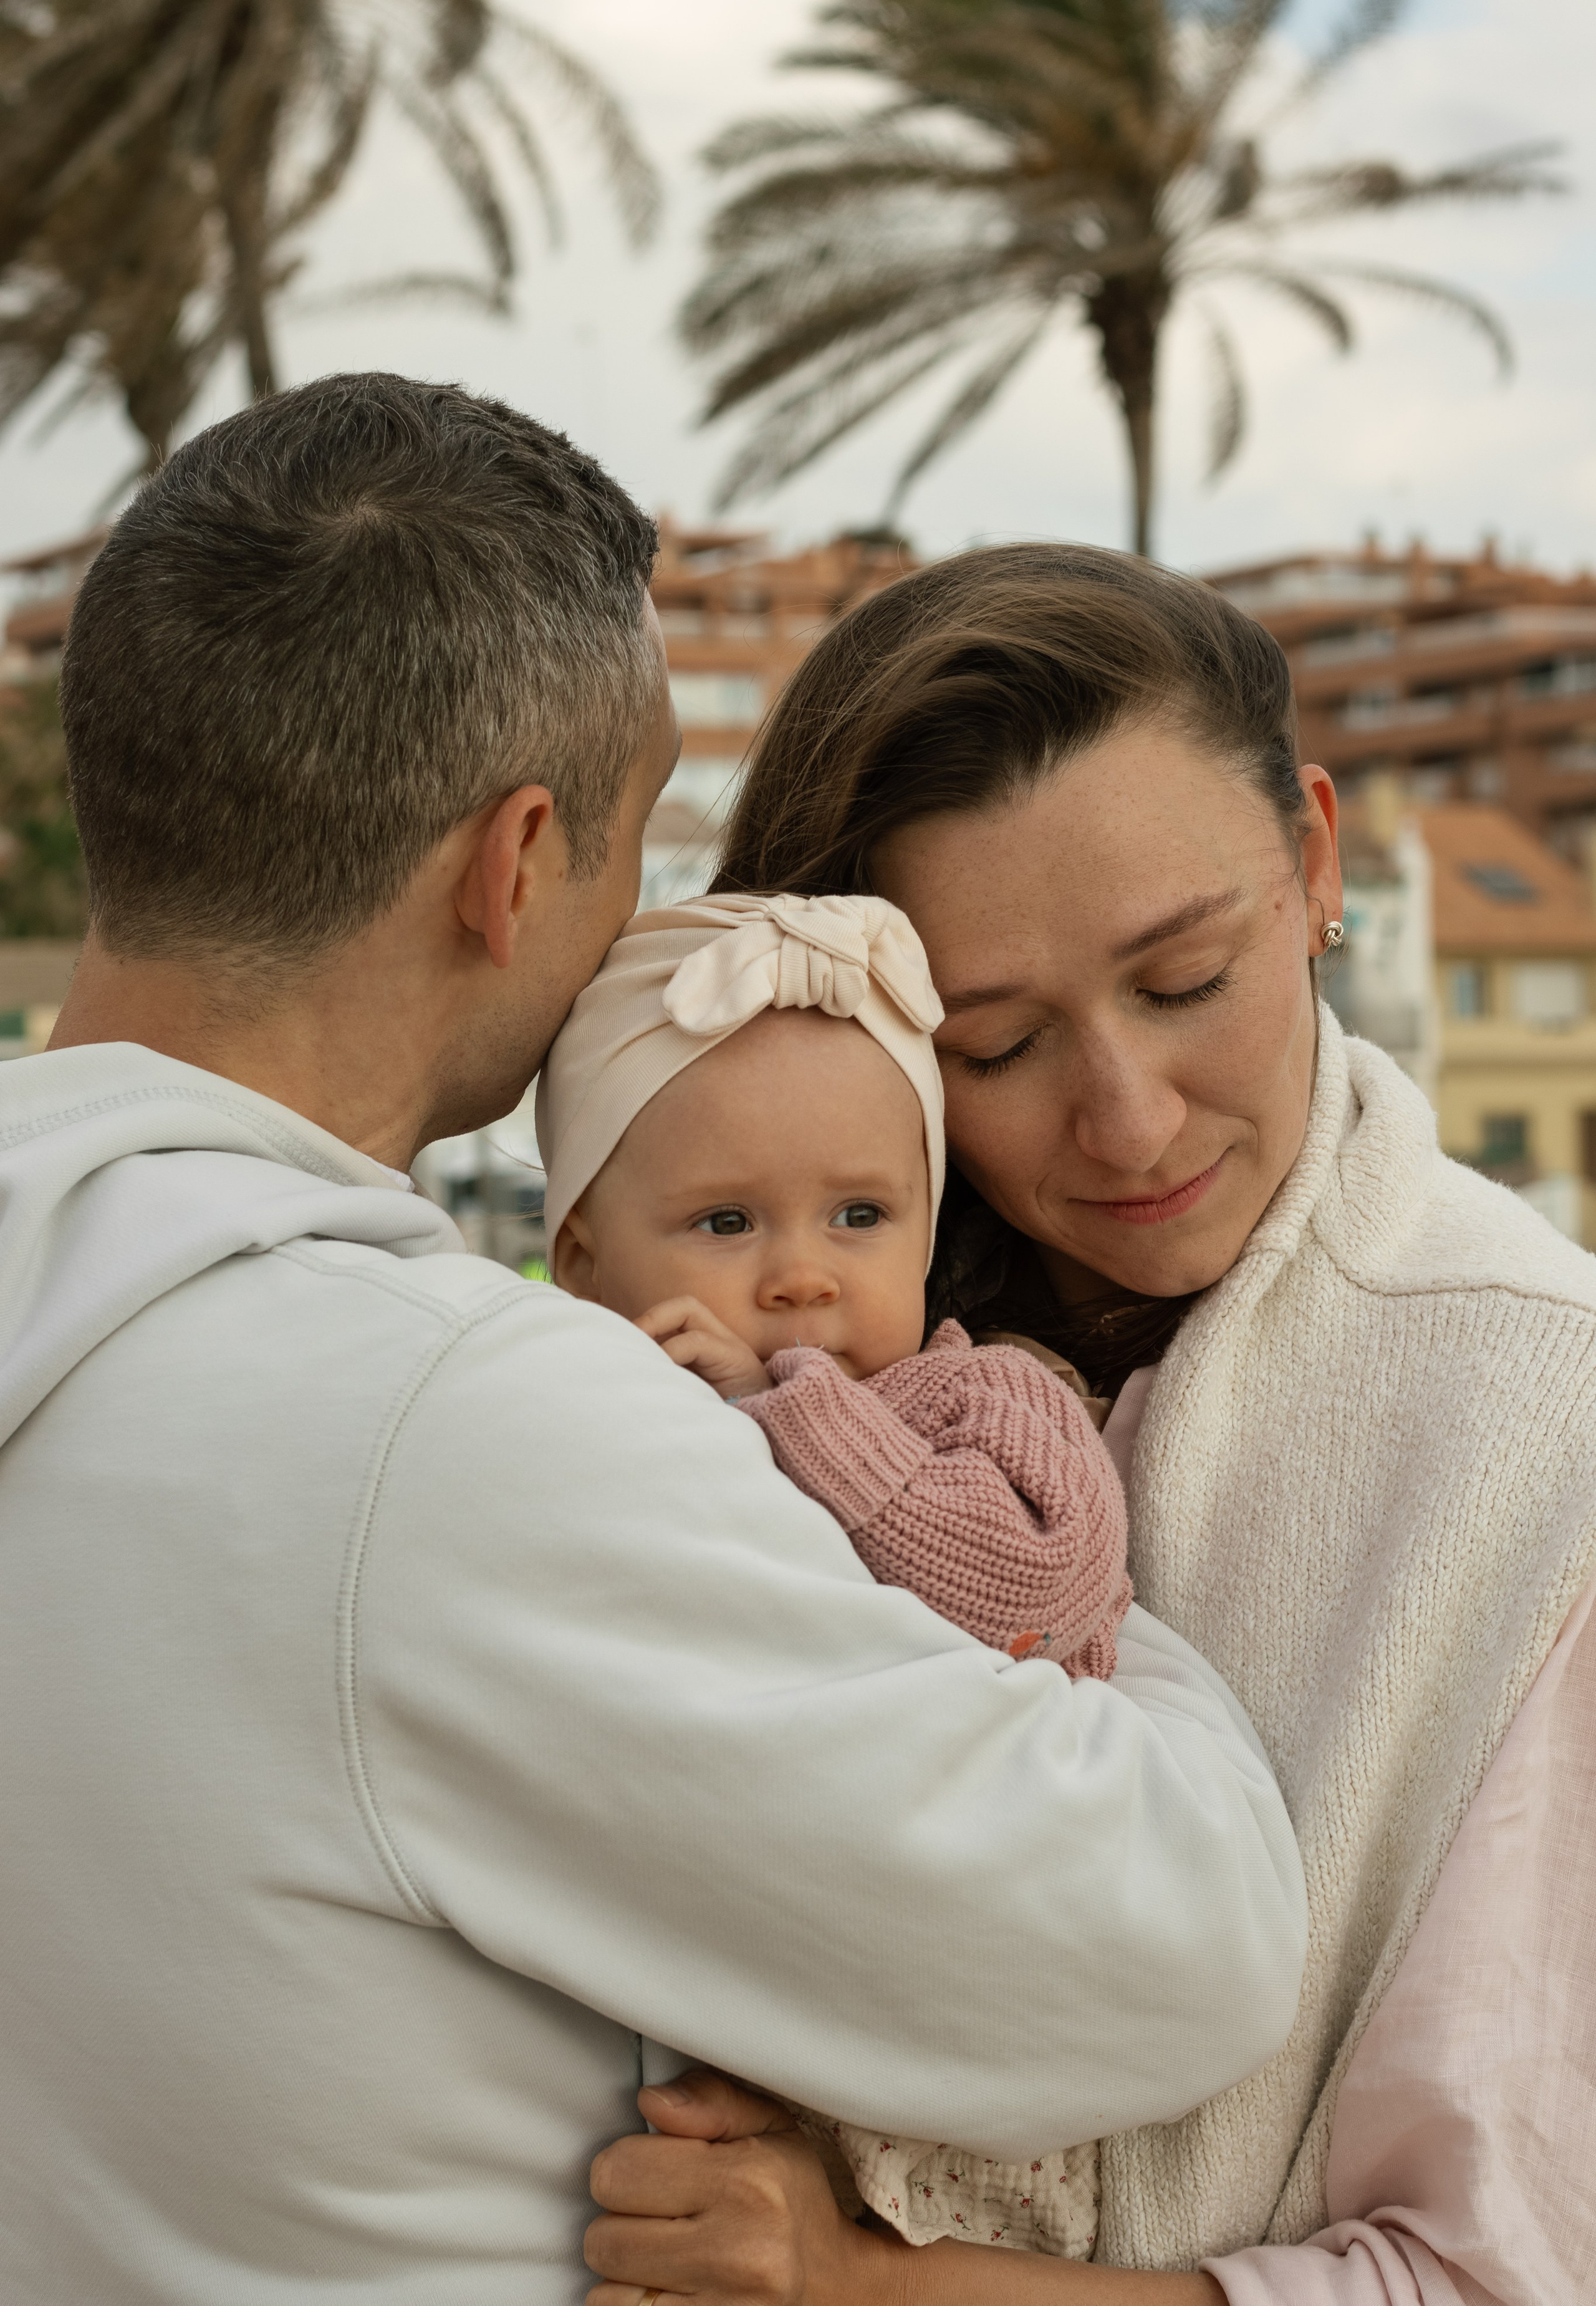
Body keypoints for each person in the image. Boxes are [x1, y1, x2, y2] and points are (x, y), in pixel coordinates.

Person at [0, 384, 1305, 2306]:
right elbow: (1180, 1946)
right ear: (515, 864)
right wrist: (980, 1514)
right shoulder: (449, 1432)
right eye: (631, 852)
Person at [582, 544, 1596, 2306]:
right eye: (995, 1046)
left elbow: (1492, 2280)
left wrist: (863, 2280)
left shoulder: (1547, 1433)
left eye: (1187, 979)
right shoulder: (733, 1375)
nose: (1126, 1122)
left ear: (1316, 865)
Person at [539, 884, 1140, 2260]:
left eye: (858, 1215)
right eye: (727, 1224)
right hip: (734, 2055)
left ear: (927, 1233)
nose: (802, 1277)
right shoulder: (590, 1437)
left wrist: (789, 1413)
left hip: (976, 2089)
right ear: (581, 1260)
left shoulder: (979, 1402)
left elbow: (1025, 1589)